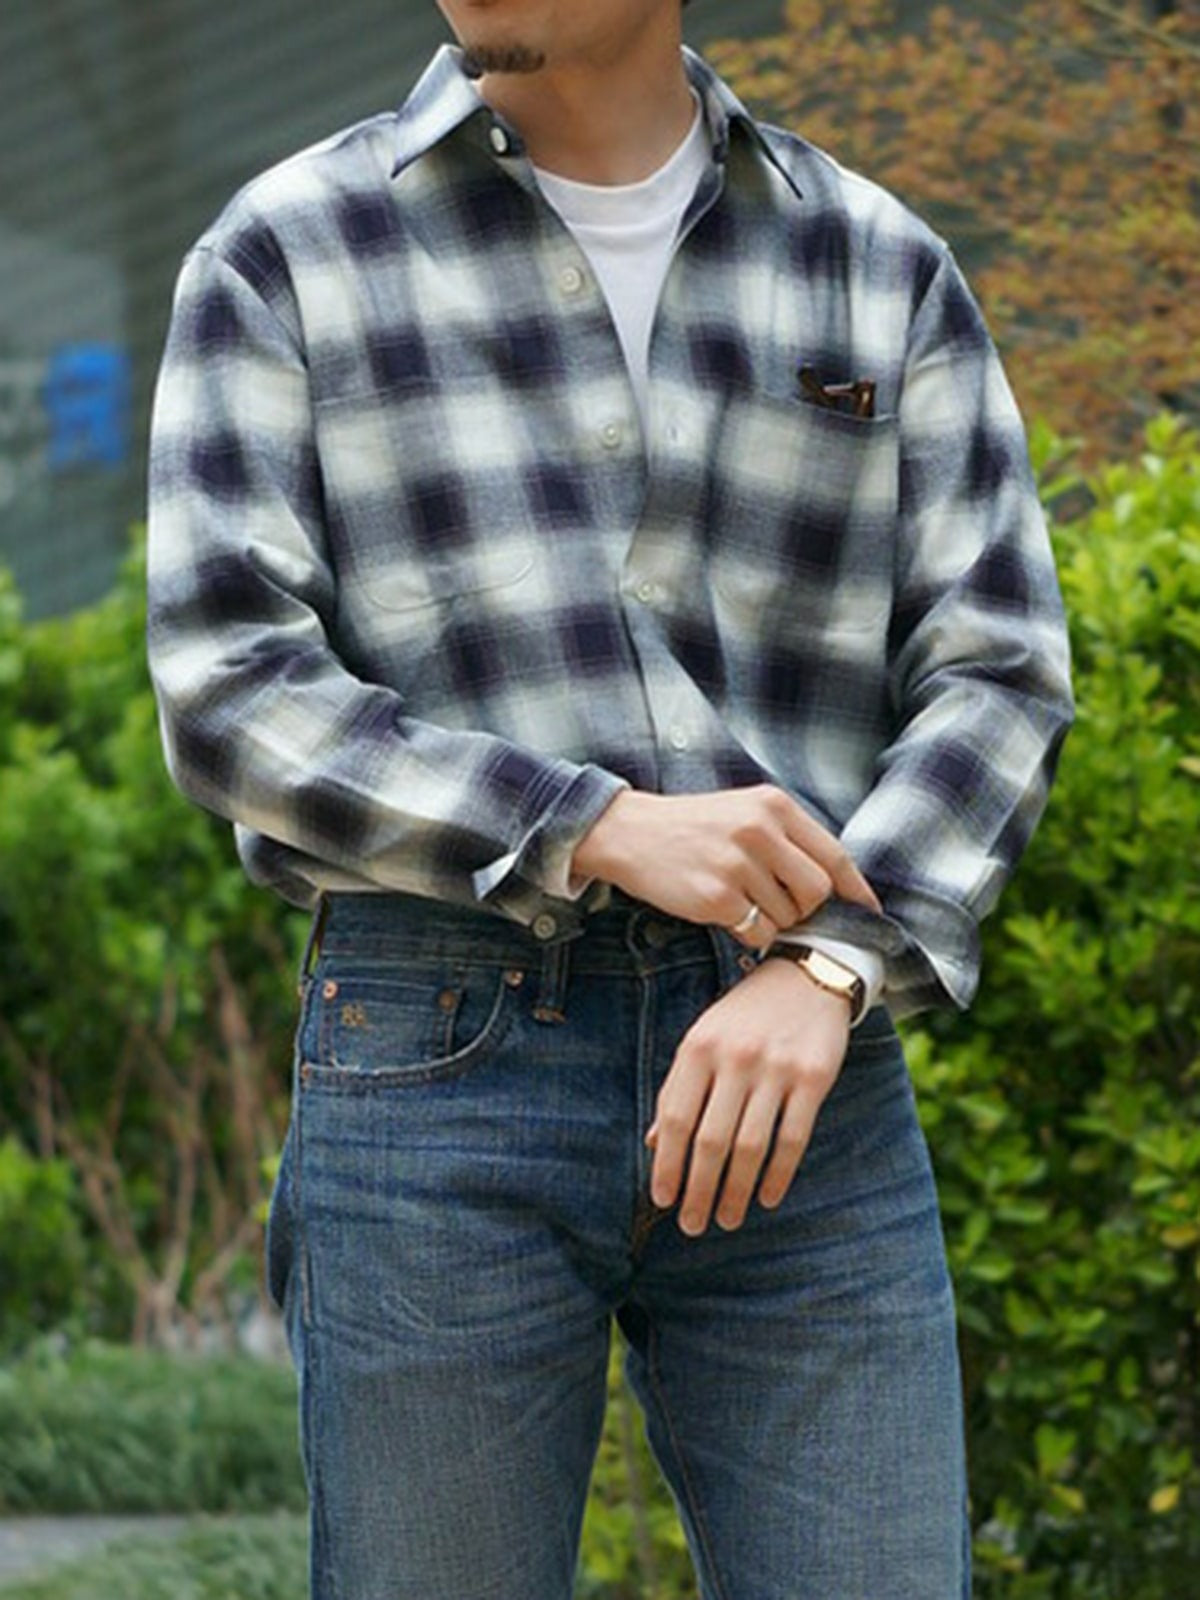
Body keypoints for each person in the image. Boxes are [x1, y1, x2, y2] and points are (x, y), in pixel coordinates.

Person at [146, 2, 1073, 1595]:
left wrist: (836, 966)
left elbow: (998, 671)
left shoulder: (871, 263)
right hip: (437, 1044)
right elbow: (227, 688)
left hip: (797, 1064)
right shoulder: (289, 250)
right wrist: (590, 825)